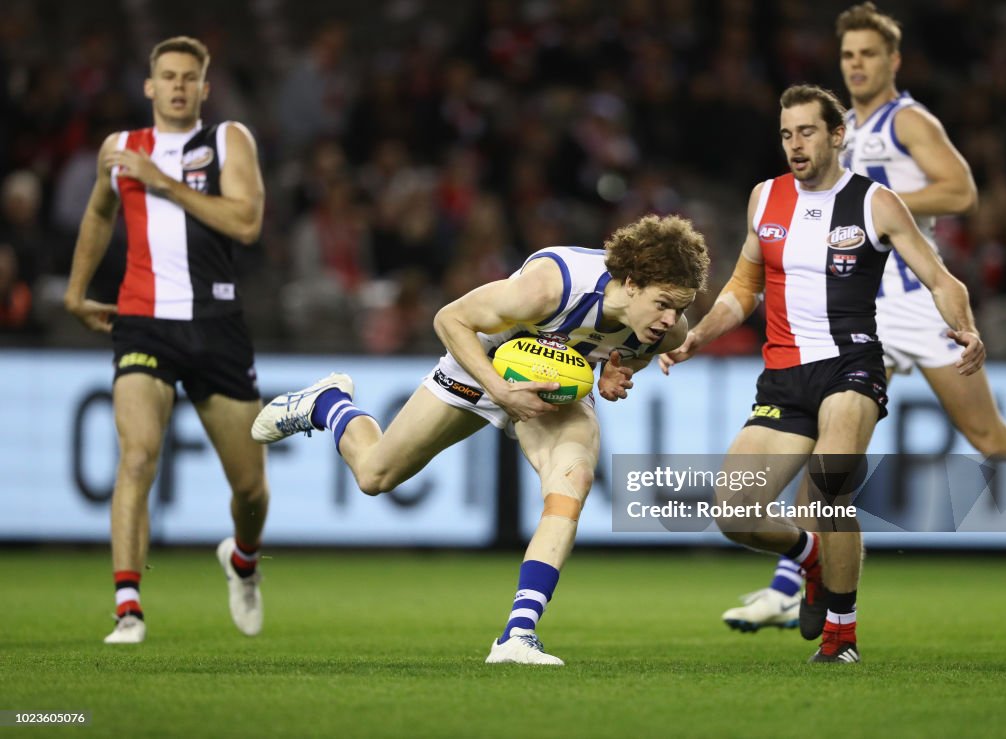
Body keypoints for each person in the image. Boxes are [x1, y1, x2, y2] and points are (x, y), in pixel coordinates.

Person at [252, 215, 710, 665]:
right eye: (664, 303)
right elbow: (450, 319)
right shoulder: (553, 286)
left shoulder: (668, 329)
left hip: (550, 391)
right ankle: (328, 403)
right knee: (374, 475)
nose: (671, 318)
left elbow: (637, 353)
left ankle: (518, 635)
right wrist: (498, 388)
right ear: (630, 283)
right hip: (482, 367)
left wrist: (618, 370)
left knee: (572, 479)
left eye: (682, 306)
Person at [720, 2, 1006, 634]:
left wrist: (861, 205)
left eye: (868, 54)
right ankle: (798, 578)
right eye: (848, 55)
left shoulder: (905, 120)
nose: (856, 65)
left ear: (893, 61)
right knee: (826, 451)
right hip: (858, 308)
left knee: (990, 439)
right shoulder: (836, 125)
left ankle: (803, 574)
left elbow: (962, 192)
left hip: (914, 301)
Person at [659, 84, 984, 663]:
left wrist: (966, 328)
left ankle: (842, 635)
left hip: (851, 365)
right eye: (786, 134)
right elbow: (743, 287)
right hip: (783, 377)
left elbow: (942, 281)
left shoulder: (875, 203)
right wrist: (699, 337)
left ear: (837, 135)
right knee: (734, 514)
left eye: (806, 132)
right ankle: (810, 557)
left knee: (830, 485)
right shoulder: (765, 199)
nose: (794, 145)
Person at [63, 36, 270, 644]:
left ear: (204, 89)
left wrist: (164, 183)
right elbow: (100, 215)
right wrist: (76, 293)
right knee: (136, 457)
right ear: (150, 87)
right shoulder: (120, 149)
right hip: (143, 321)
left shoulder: (228, 139)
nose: (178, 86)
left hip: (216, 324)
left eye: (189, 78)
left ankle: (244, 560)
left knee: (250, 488)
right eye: (168, 77)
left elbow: (247, 222)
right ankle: (128, 604)